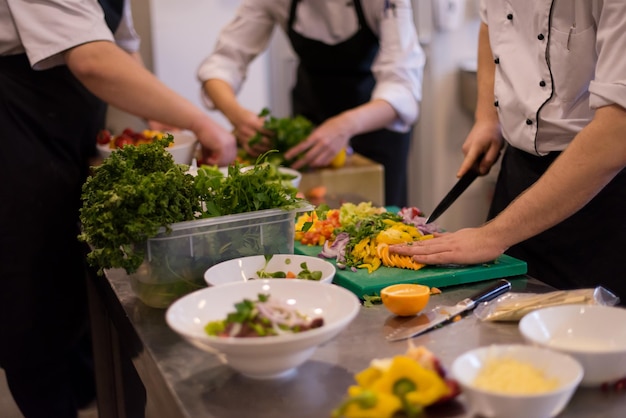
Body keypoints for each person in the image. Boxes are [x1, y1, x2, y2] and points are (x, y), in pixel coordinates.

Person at [0, 1, 237, 417]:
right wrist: (202, 123)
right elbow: (92, 59)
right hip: (14, 124)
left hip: (67, 126)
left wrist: (155, 114)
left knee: (72, 274)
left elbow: (120, 44)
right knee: (30, 296)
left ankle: (86, 394)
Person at [390, 0, 626, 302]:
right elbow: (492, 24)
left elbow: (616, 131)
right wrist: (487, 118)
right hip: (518, 180)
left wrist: (491, 236)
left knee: (589, 339)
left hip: (603, 196)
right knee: (498, 332)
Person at [198, 0, 425, 207]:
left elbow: (402, 88)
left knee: (380, 227)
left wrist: (345, 124)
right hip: (309, 120)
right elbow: (223, 62)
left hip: (375, 124)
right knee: (311, 221)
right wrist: (237, 115)